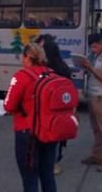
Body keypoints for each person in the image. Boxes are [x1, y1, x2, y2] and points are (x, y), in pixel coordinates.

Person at [4, 43, 57, 192]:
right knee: (48, 175)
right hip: (50, 131)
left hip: (27, 132)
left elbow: (8, 105)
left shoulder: (21, 77)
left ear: (27, 57)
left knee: (30, 178)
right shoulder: (52, 74)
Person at [80, 34, 102, 173]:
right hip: (92, 95)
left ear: (101, 44)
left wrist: (91, 68)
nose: (93, 49)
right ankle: (96, 155)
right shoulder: (96, 56)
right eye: (91, 47)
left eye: (95, 46)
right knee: (96, 128)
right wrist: (85, 66)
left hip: (101, 97)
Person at [35, 34, 70, 175]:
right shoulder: (63, 68)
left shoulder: (47, 71)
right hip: (58, 112)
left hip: (49, 111)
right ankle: (53, 162)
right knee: (54, 138)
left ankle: (50, 163)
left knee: (47, 137)